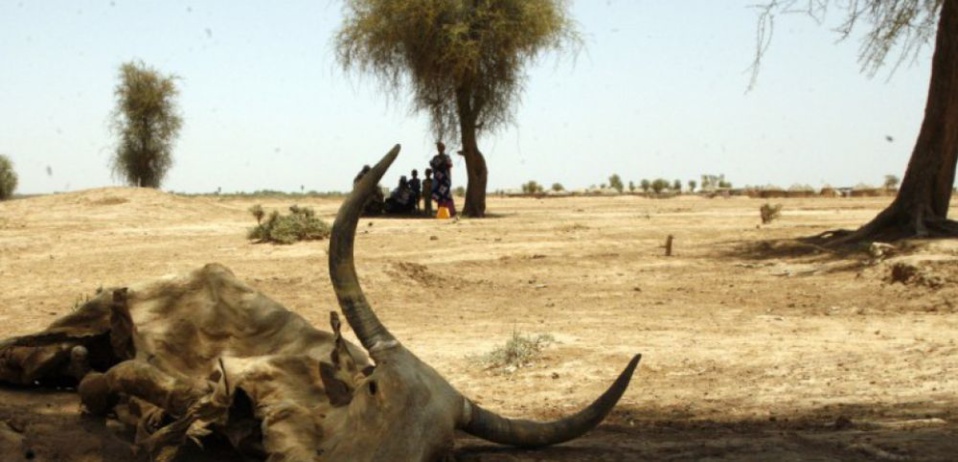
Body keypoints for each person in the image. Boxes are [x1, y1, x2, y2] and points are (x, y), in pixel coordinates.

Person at [429, 141, 455, 216]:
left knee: (446, 195)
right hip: (438, 180)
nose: (439, 148)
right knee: (439, 195)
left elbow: (449, 167)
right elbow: (433, 166)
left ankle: (449, 212)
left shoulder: (447, 157)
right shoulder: (435, 157)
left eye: (440, 147)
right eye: (438, 147)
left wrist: (449, 178)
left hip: (445, 180)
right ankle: (441, 212)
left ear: (443, 148)